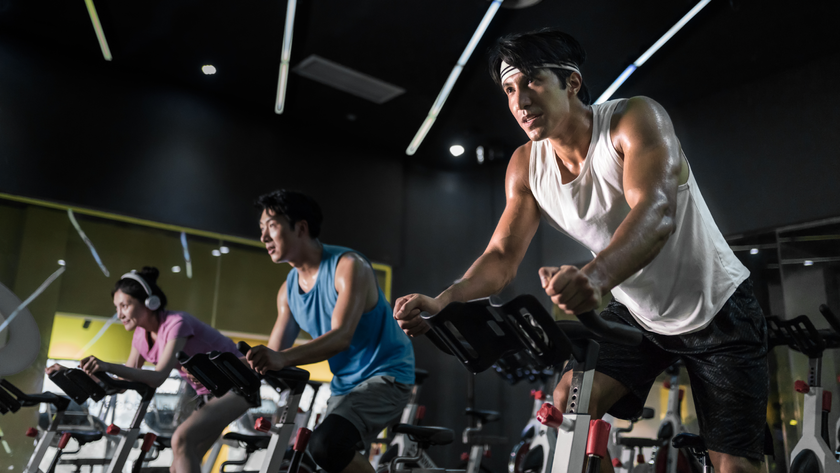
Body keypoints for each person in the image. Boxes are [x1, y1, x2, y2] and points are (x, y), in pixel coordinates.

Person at [393, 28, 766, 473]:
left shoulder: (633, 119)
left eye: (533, 81)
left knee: (736, 468)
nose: (520, 101)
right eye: (510, 89)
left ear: (571, 82)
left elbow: (657, 211)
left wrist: (594, 278)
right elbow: (500, 256)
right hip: (638, 316)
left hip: (716, 307)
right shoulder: (526, 166)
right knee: (568, 408)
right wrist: (445, 300)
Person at [244, 189, 415, 473]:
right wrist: (222, 369)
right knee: (315, 459)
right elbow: (272, 355)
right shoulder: (288, 291)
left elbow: (341, 337)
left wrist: (282, 359)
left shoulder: (348, 266)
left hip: (386, 376)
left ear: (300, 228)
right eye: (261, 229)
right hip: (344, 386)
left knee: (327, 446)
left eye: (271, 227)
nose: (263, 238)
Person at [46, 267, 251, 473]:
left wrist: (106, 365)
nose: (120, 314)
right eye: (117, 307)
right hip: (209, 394)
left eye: (125, 306)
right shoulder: (140, 336)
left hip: (238, 384)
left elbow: (158, 377)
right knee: (179, 465)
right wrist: (73, 373)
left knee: (180, 440)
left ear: (149, 302)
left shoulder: (176, 324)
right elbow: (121, 383)